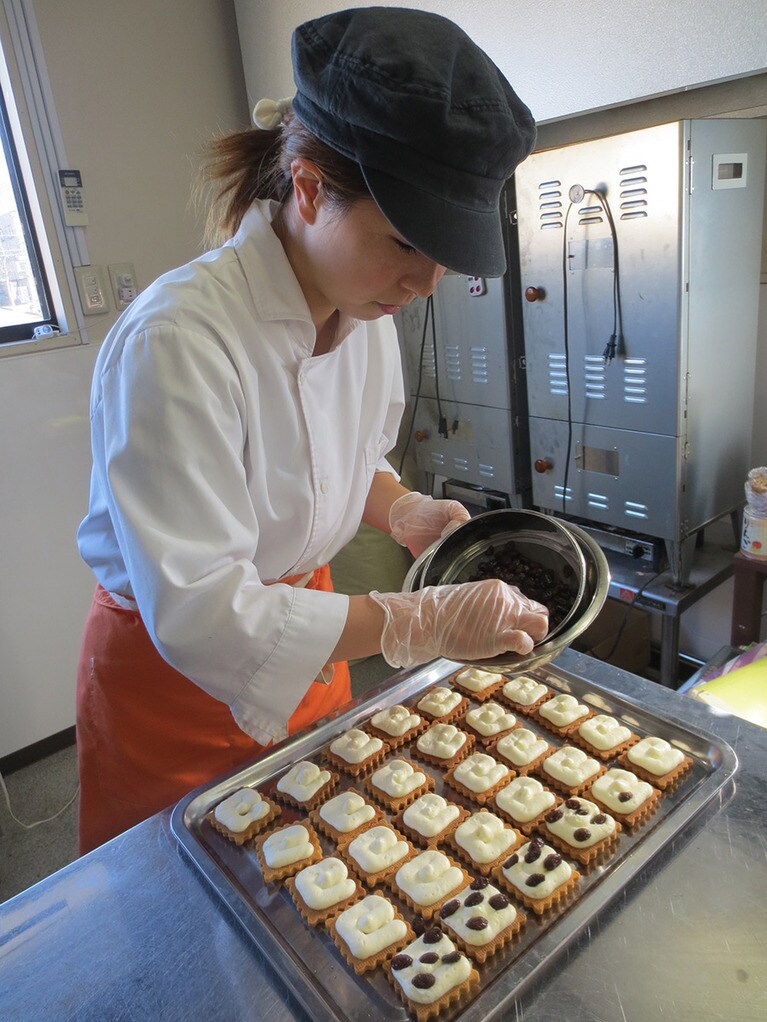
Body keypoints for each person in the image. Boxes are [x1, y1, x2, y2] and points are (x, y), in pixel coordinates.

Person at [75, 6, 547, 855]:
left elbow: (340, 459)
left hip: (313, 648)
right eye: (405, 242)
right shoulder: (178, 343)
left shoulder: (363, 311)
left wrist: (396, 506)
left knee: (330, 878)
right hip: (171, 688)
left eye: (442, 256)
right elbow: (204, 613)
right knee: (191, 935)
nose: (424, 282)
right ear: (307, 187)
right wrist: (419, 622)